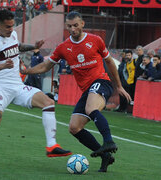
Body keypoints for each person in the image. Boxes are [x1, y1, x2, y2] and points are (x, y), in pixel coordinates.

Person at [0, 9, 71, 164]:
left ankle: (51, 146)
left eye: (12, 26)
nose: (11, 29)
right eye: (7, 27)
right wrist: (3, 65)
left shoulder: (12, 34)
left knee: (48, 103)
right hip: (0, 88)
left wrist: (33, 46)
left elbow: (18, 46)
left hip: (18, 86)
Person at [22, 11, 131, 172]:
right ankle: (105, 156)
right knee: (74, 127)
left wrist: (119, 86)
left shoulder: (95, 40)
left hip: (102, 82)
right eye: (69, 26)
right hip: (87, 90)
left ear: (82, 24)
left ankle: (108, 141)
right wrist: (27, 71)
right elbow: (46, 66)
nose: (72, 29)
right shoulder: (64, 47)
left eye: (75, 25)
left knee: (90, 109)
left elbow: (110, 62)